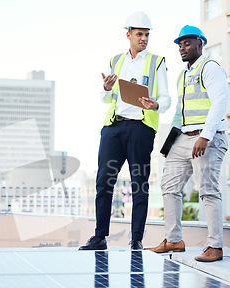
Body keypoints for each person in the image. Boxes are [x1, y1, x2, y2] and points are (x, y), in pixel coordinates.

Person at [79, 11, 171, 251]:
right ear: (128, 34)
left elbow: (166, 98)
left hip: (140, 129)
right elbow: (106, 98)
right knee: (104, 181)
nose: (143, 38)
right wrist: (106, 88)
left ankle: (136, 240)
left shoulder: (157, 61)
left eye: (147, 34)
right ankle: (100, 237)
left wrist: (156, 104)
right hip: (114, 128)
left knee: (139, 183)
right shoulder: (115, 60)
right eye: (139, 34)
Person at [147, 25, 228, 262]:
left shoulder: (210, 68)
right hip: (183, 139)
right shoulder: (182, 75)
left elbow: (220, 102)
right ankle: (174, 240)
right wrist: (169, 144)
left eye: (187, 43)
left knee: (208, 191)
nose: (182, 47)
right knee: (169, 186)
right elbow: (179, 113)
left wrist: (206, 135)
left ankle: (215, 246)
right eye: (180, 44)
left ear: (200, 43)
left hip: (207, 138)